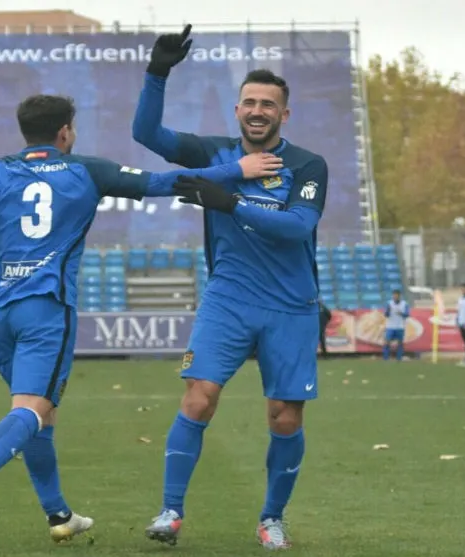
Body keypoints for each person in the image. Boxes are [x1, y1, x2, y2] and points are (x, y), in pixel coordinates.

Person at [0, 93, 279, 543]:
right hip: (46, 308)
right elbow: (164, 182)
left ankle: (59, 516)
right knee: (33, 410)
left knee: (40, 413)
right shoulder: (86, 170)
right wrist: (237, 169)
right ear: (65, 132)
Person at [131, 24, 329, 550]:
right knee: (198, 398)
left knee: (284, 416)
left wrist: (230, 199)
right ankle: (170, 513)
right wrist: (157, 73)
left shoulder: (308, 165)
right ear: (237, 110)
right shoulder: (214, 153)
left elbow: (297, 228)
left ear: (284, 114)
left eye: (268, 103)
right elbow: (146, 135)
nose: (258, 110)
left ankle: (271, 518)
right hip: (228, 299)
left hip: (291, 306)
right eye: (249, 102)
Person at [383, 289, 409, 361]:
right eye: (394, 295)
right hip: (390, 326)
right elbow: (386, 315)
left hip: (400, 326)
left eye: (396, 295)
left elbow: (407, 315)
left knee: (400, 343)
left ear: (399, 296)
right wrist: (388, 311)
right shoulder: (389, 303)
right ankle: (386, 358)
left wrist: (401, 313)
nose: (395, 297)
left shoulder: (404, 304)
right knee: (387, 342)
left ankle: (399, 359)